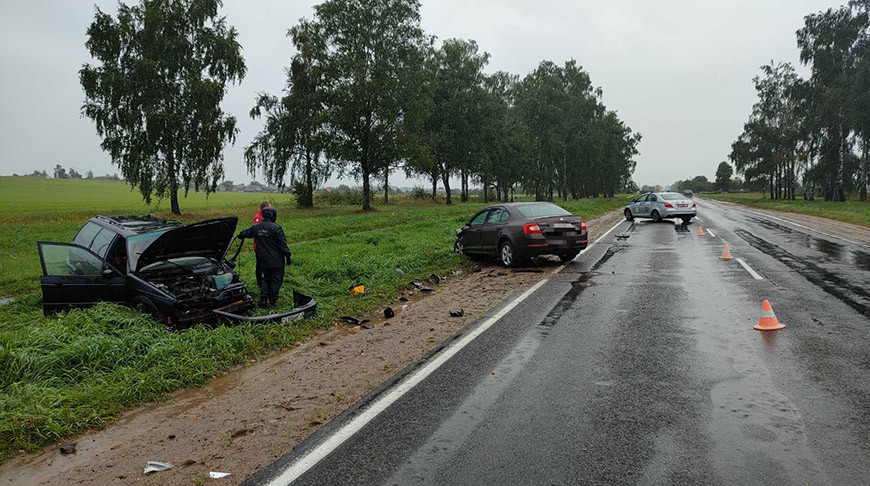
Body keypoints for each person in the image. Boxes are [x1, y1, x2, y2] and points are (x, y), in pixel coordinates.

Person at [237, 207, 291, 306]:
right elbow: (282, 244)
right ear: (273, 215)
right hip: (277, 260)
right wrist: (287, 255)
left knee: (266, 278)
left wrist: (240, 235)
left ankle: (264, 298)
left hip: (263, 259)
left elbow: (246, 233)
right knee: (276, 279)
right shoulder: (276, 228)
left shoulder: (256, 227)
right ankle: (273, 299)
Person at [252, 201, 271, 289]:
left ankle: (266, 281)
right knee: (259, 265)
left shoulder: (265, 216)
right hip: (259, 247)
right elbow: (256, 232)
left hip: (265, 246)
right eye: (269, 208)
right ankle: (260, 283)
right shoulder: (258, 218)